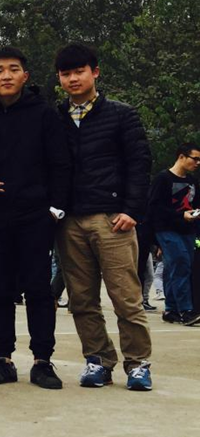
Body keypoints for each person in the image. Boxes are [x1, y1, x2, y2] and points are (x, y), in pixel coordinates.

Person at [0, 46, 71, 389]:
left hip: (36, 217)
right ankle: (2, 358)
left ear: (25, 76)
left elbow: (61, 164)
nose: (6, 75)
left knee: (38, 289)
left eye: (14, 69)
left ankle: (42, 361)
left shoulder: (44, 114)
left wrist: (54, 210)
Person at [49, 43, 154, 391]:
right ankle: (97, 360)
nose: (73, 79)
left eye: (79, 71)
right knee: (81, 299)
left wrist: (132, 210)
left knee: (126, 297)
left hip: (113, 219)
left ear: (95, 72)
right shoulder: (55, 117)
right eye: (66, 73)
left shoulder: (122, 114)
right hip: (70, 220)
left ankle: (137, 364)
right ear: (59, 78)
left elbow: (139, 163)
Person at [147, 142, 200, 326]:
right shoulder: (163, 179)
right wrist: (180, 215)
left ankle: (171, 309)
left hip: (188, 230)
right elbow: (154, 208)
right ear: (181, 156)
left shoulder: (192, 181)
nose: (197, 163)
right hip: (167, 229)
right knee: (181, 264)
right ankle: (186, 310)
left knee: (175, 268)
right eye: (195, 158)